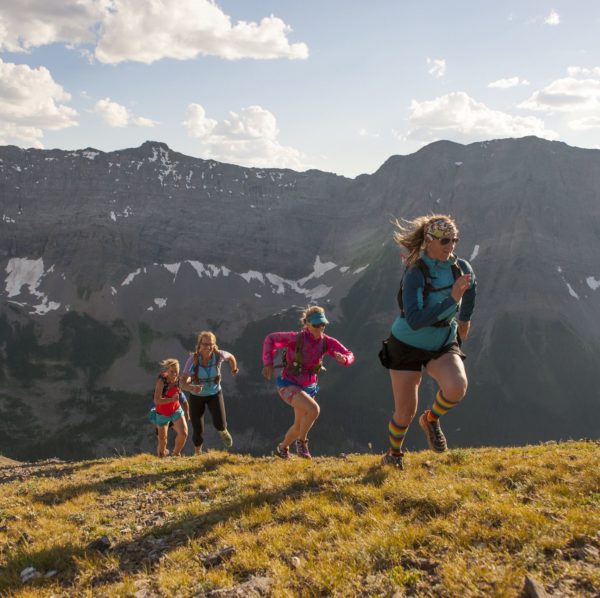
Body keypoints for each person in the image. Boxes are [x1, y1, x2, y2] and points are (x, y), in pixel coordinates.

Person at [380, 214, 476, 469]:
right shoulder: (415, 273)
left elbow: (472, 287)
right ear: (429, 241)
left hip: (442, 339)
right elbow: (414, 319)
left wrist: (464, 320)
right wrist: (453, 300)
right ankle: (394, 454)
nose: (451, 246)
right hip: (406, 343)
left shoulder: (461, 266)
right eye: (445, 241)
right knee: (405, 411)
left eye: (454, 240)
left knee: (456, 387)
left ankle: (431, 420)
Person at [262, 305, 354, 460]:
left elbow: (349, 354)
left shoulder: (327, 342)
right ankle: (302, 443)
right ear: (306, 324)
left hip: (309, 387)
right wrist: (268, 362)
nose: (320, 328)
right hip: (288, 384)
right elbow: (270, 339)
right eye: (316, 325)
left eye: (322, 324)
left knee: (299, 425)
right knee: (314, 410)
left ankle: (282, 448)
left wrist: (344, 359)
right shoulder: (296, 338)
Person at [182, 331, 239, 455]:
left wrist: (234, 368)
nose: (208, 347)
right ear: (199, 344)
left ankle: (223, 431)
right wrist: (191, 387)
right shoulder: (193, 359)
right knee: (198, 429)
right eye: (205, 344)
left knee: (220, 424)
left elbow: (231, 357)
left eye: (211, 344)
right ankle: (198, 452)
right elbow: (182, 383)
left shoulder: (219, 355)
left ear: (214, 345)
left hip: (214, 393)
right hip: (197, 396)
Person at [149, 358, 195, 457]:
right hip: (162, 413)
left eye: (176, 372)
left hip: (176, 410)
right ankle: (161, 457)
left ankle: (176, 454)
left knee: (183, 434)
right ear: (167, 370)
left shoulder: (179, 379)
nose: (174, 374)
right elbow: (157, 400)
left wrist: (194, 380)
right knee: (162, 440)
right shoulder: (162, 381)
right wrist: (171, 399)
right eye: (172, 371)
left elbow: (187, 381)